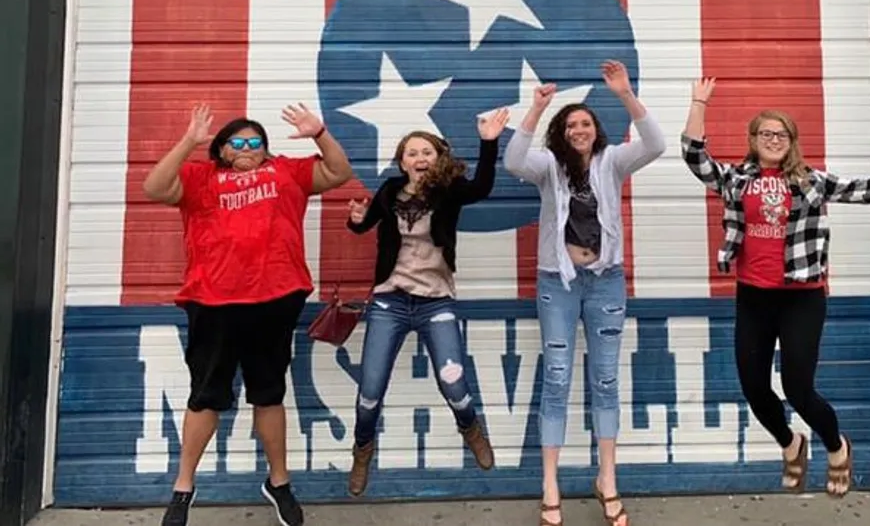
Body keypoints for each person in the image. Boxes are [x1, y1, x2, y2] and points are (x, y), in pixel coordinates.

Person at [680, 77, 870, 498]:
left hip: (801, 297)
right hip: (753, 296)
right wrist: (698, 103)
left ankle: (836, 446)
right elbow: (695, 158)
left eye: (780, 134)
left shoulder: (811, 182)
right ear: (753, 140)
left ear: (791, 141)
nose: (772, 140)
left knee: (797, 388)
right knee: (753, 386)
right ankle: (791, 444)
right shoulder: (736, 179)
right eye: (764, 134)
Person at [143, 102, 353, 526]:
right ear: (221, 150)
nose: (246, 147)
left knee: (269, 392)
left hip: (275, 298)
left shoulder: (286, 172)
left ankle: (278, 482)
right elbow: (154, 188)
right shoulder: (201, 178)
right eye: (236, 142)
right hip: (213, 301)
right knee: (206, 396)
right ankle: (183, 488)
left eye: (254, 141)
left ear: (265, 149)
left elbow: (338, 172)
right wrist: (188, 142)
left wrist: (320, 133)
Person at [503, 60, 666, 526]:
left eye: (586, 124)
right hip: (558, 283)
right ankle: (550, 485)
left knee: (607, 380)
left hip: (606, 281)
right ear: (561, 131)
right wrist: (535, 110)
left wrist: (625, 94)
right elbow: (514, 160)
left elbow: (655, 143)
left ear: (597, 131)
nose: (579, 130)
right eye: (571, 124)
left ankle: (607, 479)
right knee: (556, 379)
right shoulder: (548, 167)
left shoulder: (613, 161)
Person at [344, 108, 510, 497]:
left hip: (436, 302)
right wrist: (355, 219)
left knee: (454, 384)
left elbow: (483, 187)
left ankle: (469, 426)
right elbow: (364, 225)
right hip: (391, 302)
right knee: (369, 391)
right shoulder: (388, 192)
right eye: (411, 153)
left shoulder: (448, 192)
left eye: (427, 152)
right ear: (402, 162)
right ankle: (363, 448)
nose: (419, 159)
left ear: (439, 158)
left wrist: (489, 142)